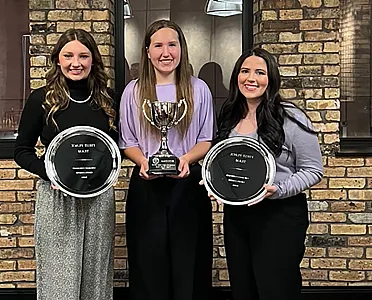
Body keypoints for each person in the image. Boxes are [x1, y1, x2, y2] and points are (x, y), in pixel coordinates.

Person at [212, 47, 323, 300]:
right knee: (243, 289)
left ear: (271, 79)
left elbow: (313, 170)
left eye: (260, 73)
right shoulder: (229, 116)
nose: (251, 78)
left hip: (279, 216)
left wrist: (278, 190)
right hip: (237, 216)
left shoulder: (291, 117)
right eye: (245, 71)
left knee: (276, 290)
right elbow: (224, 163)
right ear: (236, 77)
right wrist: (217, 184)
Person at [14, 29, 117, 300]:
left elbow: (115, 148)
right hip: (57, 198)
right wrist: (49, 173)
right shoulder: (41, 99)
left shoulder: (107, 98)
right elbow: (22, 151)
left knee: (97, 279)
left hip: (98, 197)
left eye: (83, 55)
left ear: (93, 59)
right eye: (68, 55)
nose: (76, 62)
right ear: (57, 60)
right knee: (59, 280)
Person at [118, 20, 215, 300]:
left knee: (189, 264)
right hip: (146, 184)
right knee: (148, 266)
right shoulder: (133, 92)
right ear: (147, 51)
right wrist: (144, 162)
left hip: (188, 185)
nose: (166, 52)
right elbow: (128, 142)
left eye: (172, 44)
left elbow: (206, 140)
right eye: (158, 45)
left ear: (181, 49)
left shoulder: (199, 90)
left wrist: (185, 159)